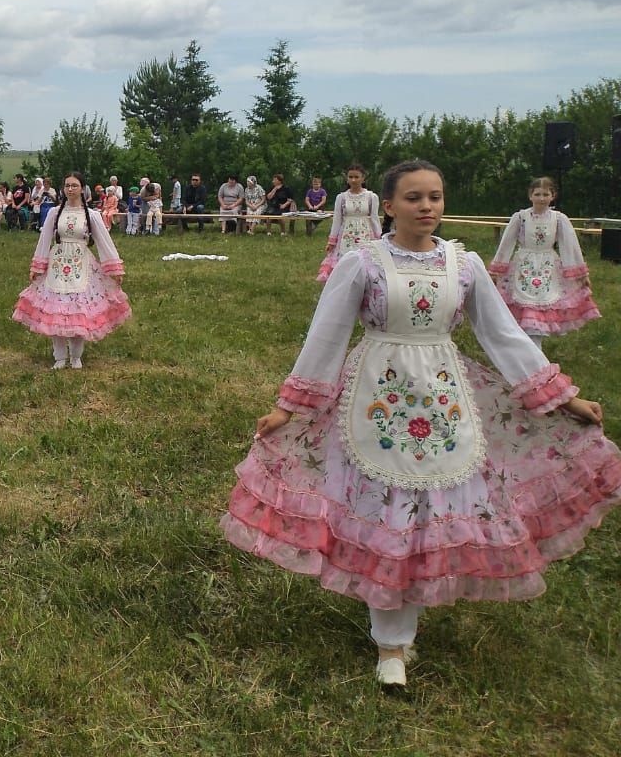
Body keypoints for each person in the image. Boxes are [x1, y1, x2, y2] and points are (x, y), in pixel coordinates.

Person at [222, 159, 619, 688]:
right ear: (388, 206)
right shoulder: (363, 263)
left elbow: (504, 336)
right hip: (377, 398)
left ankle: (404, 622)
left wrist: (561, 397)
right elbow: (326, 335)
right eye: (413, 198)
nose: (426, 206)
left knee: (430, 506)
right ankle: (390, 644)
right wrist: (289, 406)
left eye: (435, 196)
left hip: (444, 397)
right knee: (386, 505)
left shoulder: (465, 264)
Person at [12, 171, 131, 369]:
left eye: (74, 185)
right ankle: (59, 357)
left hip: (81, 264)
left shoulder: (91, 215)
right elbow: (44, 240)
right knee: (56, 309)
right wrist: (37, 265)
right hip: (58, 264)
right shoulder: (54, 212)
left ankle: (76, 357)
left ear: (82, 188)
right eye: (67, 185)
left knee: (78, 309)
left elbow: (104, 241)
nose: (70, 189)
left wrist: (114, 268)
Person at [488, 177, 601, 347]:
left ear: (552, 196)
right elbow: (507, 243)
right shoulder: (521, 218)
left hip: (548, 267)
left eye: (545, 194)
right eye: (538, 194)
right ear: (530, 196)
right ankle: (524, 348)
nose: (541, 198)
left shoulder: (559, 219)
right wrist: (497, 269)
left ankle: (536, 350)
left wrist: (580, 274)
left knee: (542, 304)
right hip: (524, 266)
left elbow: (570, 246)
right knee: (524, 305)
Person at [317, 164, 381, 282]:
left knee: (365, 261)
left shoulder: (371, 197)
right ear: (347, 178)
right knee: (345, 261)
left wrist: (380, 238)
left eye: (356, 177)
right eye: (350, 177)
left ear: (363, 178)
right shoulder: (341, 197)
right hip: (346, 235)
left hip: (365, 234)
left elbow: (374, 218)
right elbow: (337, 220)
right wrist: (332, 241)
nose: (353, 180)